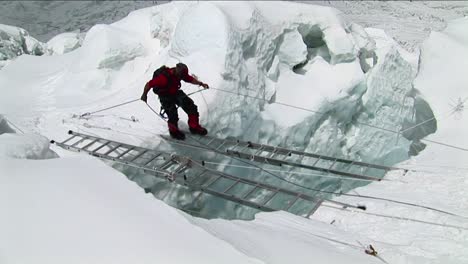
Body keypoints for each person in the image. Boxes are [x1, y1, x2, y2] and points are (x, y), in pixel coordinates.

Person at [140, 63, 209, 140]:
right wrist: (144, 95)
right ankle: (174, 132)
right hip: (165, 95)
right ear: (177, 72)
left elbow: (189, 79)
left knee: (191, 107)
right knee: (172, 114)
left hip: (175, 92)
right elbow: (149, 84)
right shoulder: (163, 78)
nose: (182, 78)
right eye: (181, 76)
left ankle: (194, 127)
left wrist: (201, 84)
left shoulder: (180, 74)